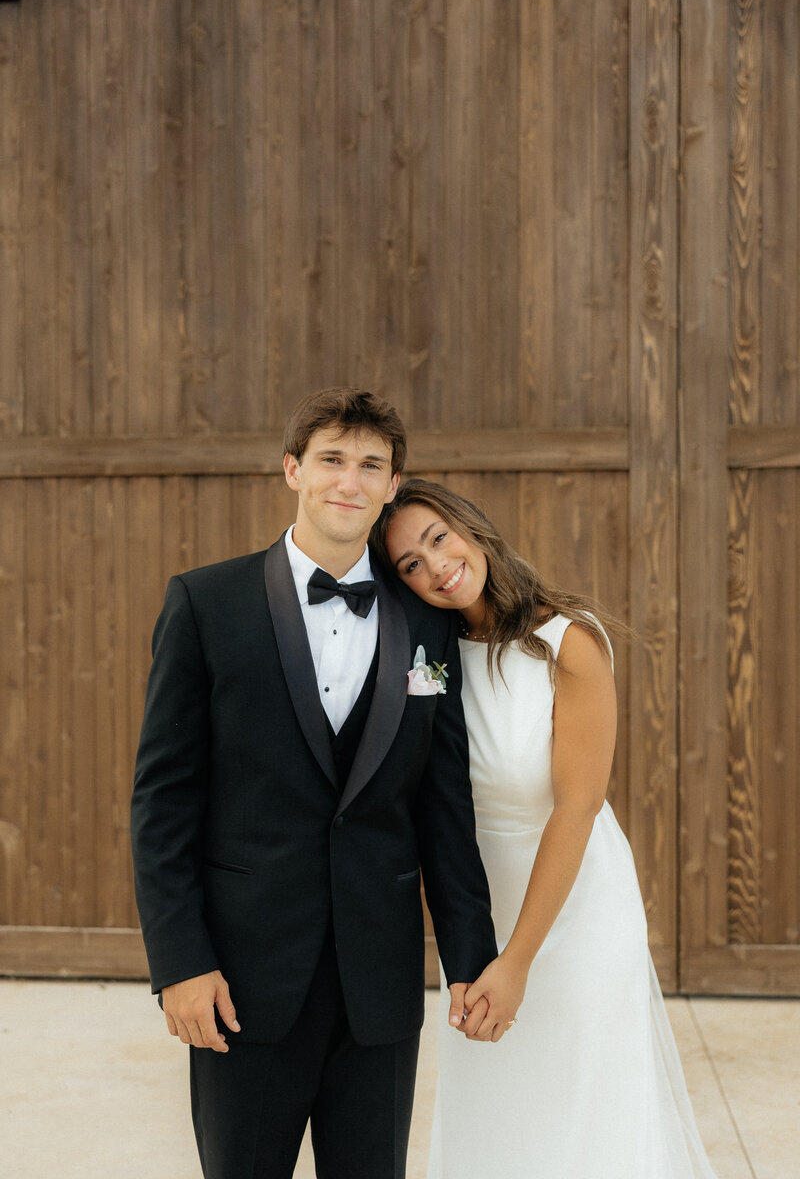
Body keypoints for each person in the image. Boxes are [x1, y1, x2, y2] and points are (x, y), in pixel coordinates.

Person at [130, 391, 496, 1179]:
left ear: (393, 485)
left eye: (371, 466)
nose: (350, 482)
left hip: (380, 984)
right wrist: (179, 962)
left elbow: (444, 806)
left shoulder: (427, 622)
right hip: (240, 981)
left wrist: (470, 954)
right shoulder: (205, 603)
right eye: (332, 459)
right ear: (292, 468)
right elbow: (163, 803)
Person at [374, 478, 718, 1179]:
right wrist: (477, 952)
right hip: (479, 910)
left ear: (471, 528)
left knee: (588, 1102)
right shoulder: (423, 655)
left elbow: (578, 807)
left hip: (575, 904)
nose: (435, 566)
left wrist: (517, 963)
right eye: (410, 563)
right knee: (493, 1102)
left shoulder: (567, 641)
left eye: (438, 538)